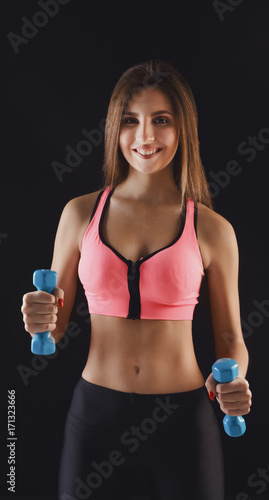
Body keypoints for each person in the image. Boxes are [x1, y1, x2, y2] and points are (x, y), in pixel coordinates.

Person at [21, 59, 252, 500]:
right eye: (131, 121)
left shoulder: (213, 229)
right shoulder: (79, 215)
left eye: (160, 120)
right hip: (95, 417)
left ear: (182, 129)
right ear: (114, 129)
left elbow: (230, 340)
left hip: (184, 423)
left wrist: (235, 380)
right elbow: (55, 322)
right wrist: (37, 317)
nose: (145, 137)